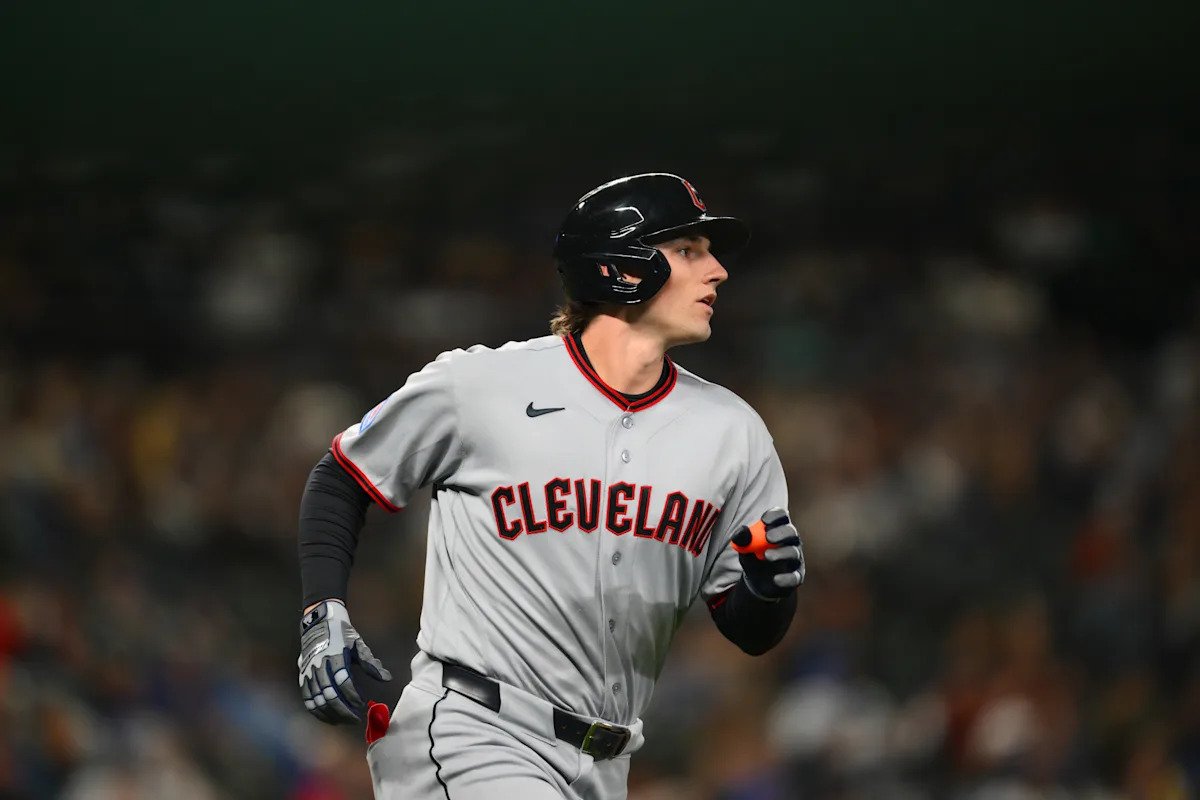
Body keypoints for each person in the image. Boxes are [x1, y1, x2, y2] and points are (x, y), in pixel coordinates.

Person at [295, 173, 806, 800]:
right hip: (474, 730)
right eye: (688, 251)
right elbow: (342, 477)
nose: (718, 271)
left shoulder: (733, 432)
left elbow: (750, 631)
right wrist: (323, 612)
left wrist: (767, 589)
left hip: (607, 761)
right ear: (621, 266)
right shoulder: (482, 386)